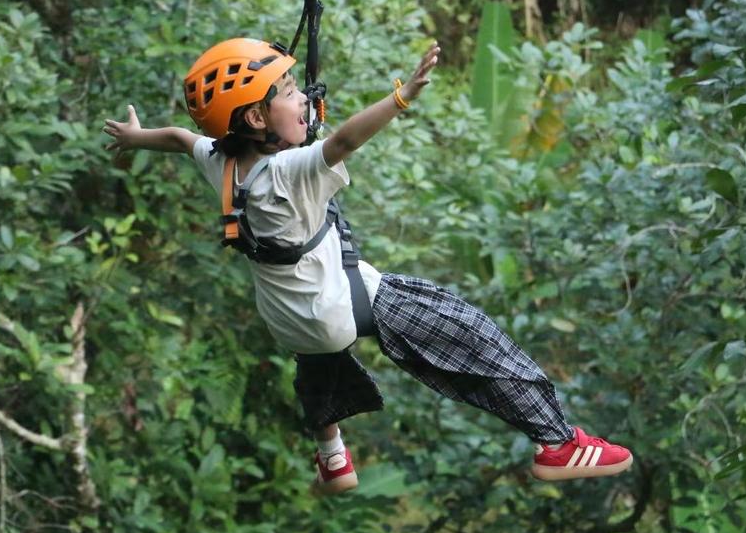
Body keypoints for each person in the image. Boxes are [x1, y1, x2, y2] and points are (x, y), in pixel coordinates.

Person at [102, 37, 632, 495]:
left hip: (290, 320)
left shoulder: (219, 162)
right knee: (469, 335)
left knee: (318, 366)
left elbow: (175, 136)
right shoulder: (288, 171)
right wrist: (400, 98)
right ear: (257, 119)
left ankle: (333, 459)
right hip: (343, 302)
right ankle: (557, 444)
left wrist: (134, 139)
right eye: (288, 93)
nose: (302, 97)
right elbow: (344, 140)